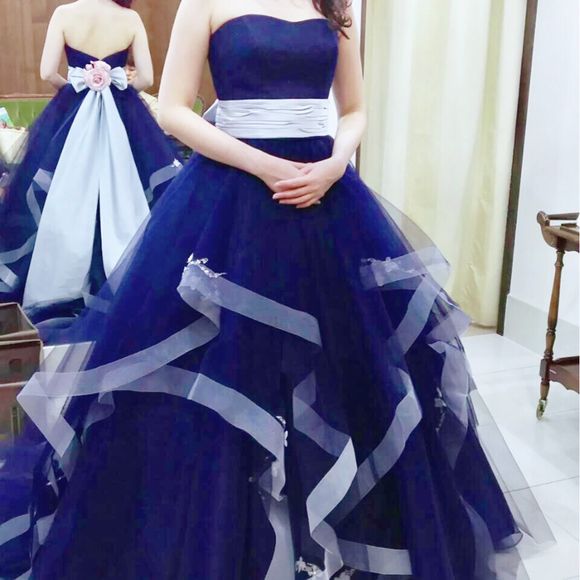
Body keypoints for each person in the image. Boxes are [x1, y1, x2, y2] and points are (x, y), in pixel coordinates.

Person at [0, 0, 553, 578]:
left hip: (324, 193)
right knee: (225, 364)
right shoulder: (206, 3)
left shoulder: (330, 5)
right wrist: (264, 166)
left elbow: (355, 108)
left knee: (352, 365)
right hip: (232, 196)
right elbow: (174, 111)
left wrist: (336, 163)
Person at [0, 0, 181, 332]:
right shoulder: (129, 18)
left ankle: (61, 280)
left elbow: (47, 73)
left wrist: (76, 90)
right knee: (125, 194)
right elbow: (146, 77)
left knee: (64, 195)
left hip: (71, 114)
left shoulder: (64, 14)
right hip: (123, 116)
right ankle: (123, 277)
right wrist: (116, 91)